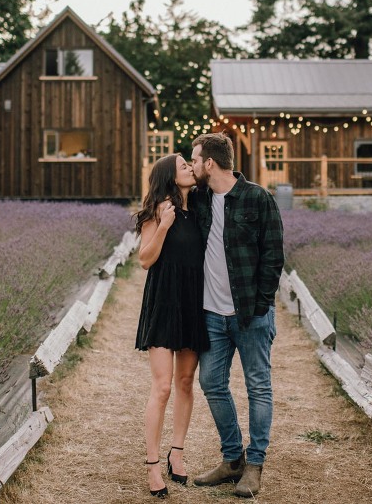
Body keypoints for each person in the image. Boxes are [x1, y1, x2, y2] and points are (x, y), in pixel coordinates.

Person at [189, 133, 284, 498]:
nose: (193, 166)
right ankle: (233, 460)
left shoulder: (258, 198)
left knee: (258, 386)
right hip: (211, 315)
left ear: (210, 163)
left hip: (250, 315)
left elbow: (273, 255)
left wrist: (260, 306)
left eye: (195, 160)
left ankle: (255, 465)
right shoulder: (198, 200)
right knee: (212, 382)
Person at [134, 154, 210, 498]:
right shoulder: (158, 210)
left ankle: (176, 453)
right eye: (183, 166)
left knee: (185, 382)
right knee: (162, 386)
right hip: (164, 300)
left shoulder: (199, 208)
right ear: (169, 176)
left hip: (194, 301)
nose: (190, 168)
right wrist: (164, 224)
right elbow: (145, 259)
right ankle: (152, 466)